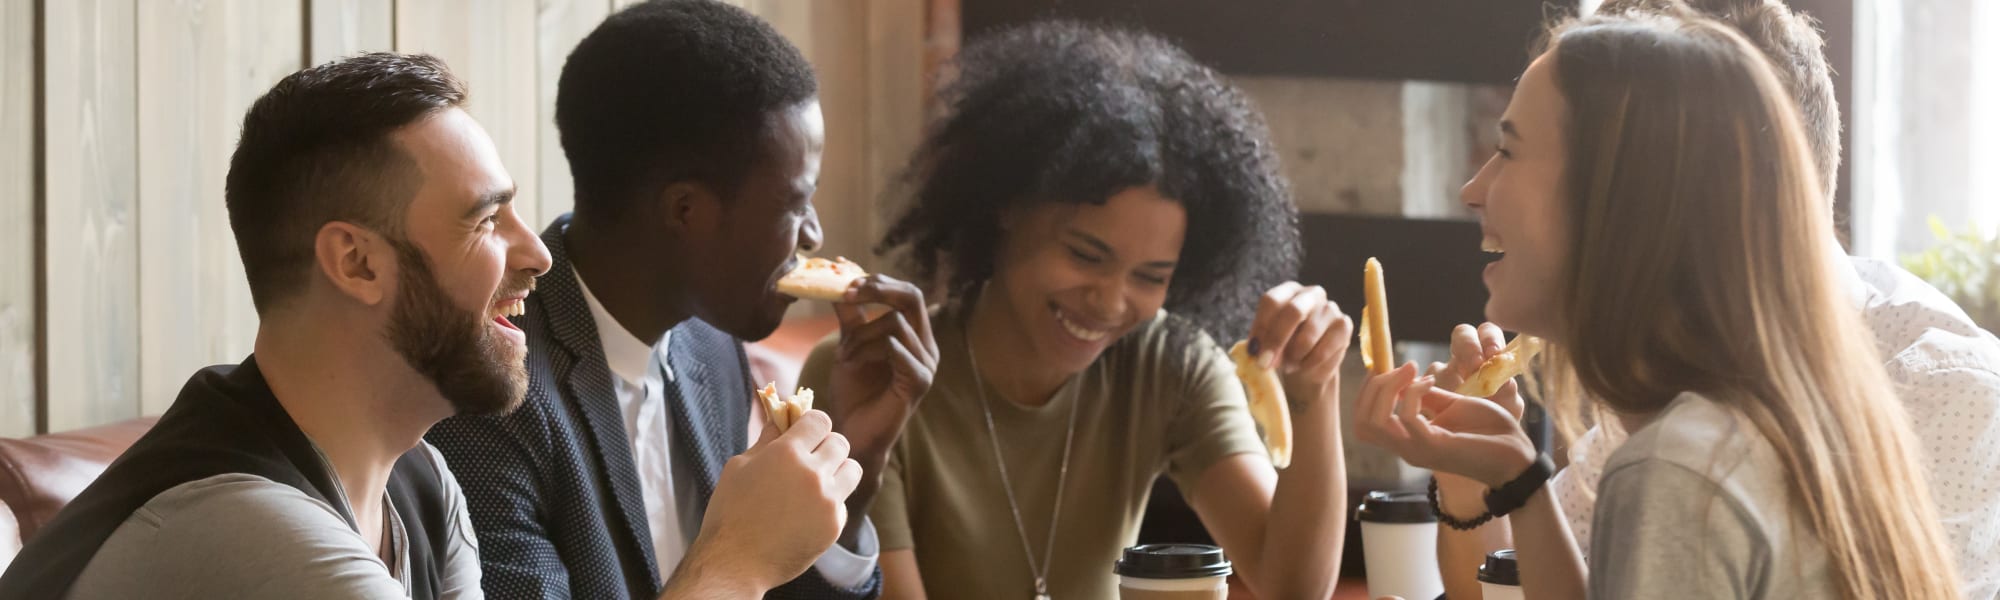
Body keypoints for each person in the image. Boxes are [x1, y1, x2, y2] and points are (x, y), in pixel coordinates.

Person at [1355, 8, 1963, 599]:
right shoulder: (1759, 417)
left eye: (1509, 151)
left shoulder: (1677, 468)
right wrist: (1519, 483)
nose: (1473, 190)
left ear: (1620, 206)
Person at [800, 21, 1351, 600]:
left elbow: (1293, 588)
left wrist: (1314, 396)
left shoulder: (1169, 365)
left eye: (1150, 277)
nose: (1111, 302)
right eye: (1086, 255)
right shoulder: (869, 374)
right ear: (1008, 206)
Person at [424, 1, 938, 598]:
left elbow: (758, 581)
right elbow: (735, 570)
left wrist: (852, 465)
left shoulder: (711, 347)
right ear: (685, 210)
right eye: (795, 204)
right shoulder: (490, 394)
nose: (813, 236)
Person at [0, 52, 549, 599]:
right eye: (486, 221)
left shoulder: (421, 483)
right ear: (357, 262)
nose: (538, 254)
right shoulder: (241, 525)